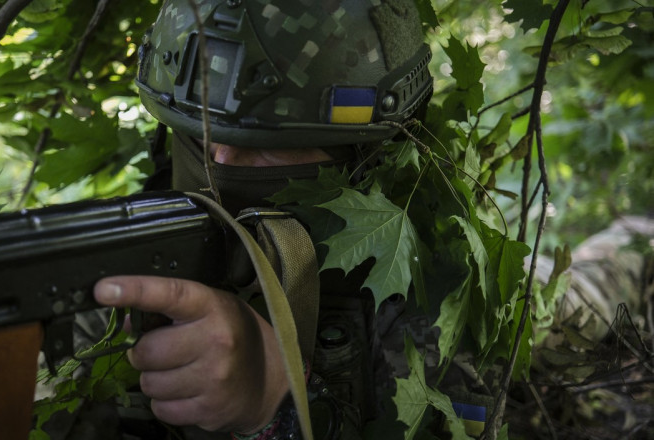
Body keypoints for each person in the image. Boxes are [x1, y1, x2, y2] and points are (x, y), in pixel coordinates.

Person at [65, 0, 486, 439]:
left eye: (267, 147)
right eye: (198, 136)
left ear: (372, 160)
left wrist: (278, 409)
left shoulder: (437, 300)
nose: (220, 162)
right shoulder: (126, 259)